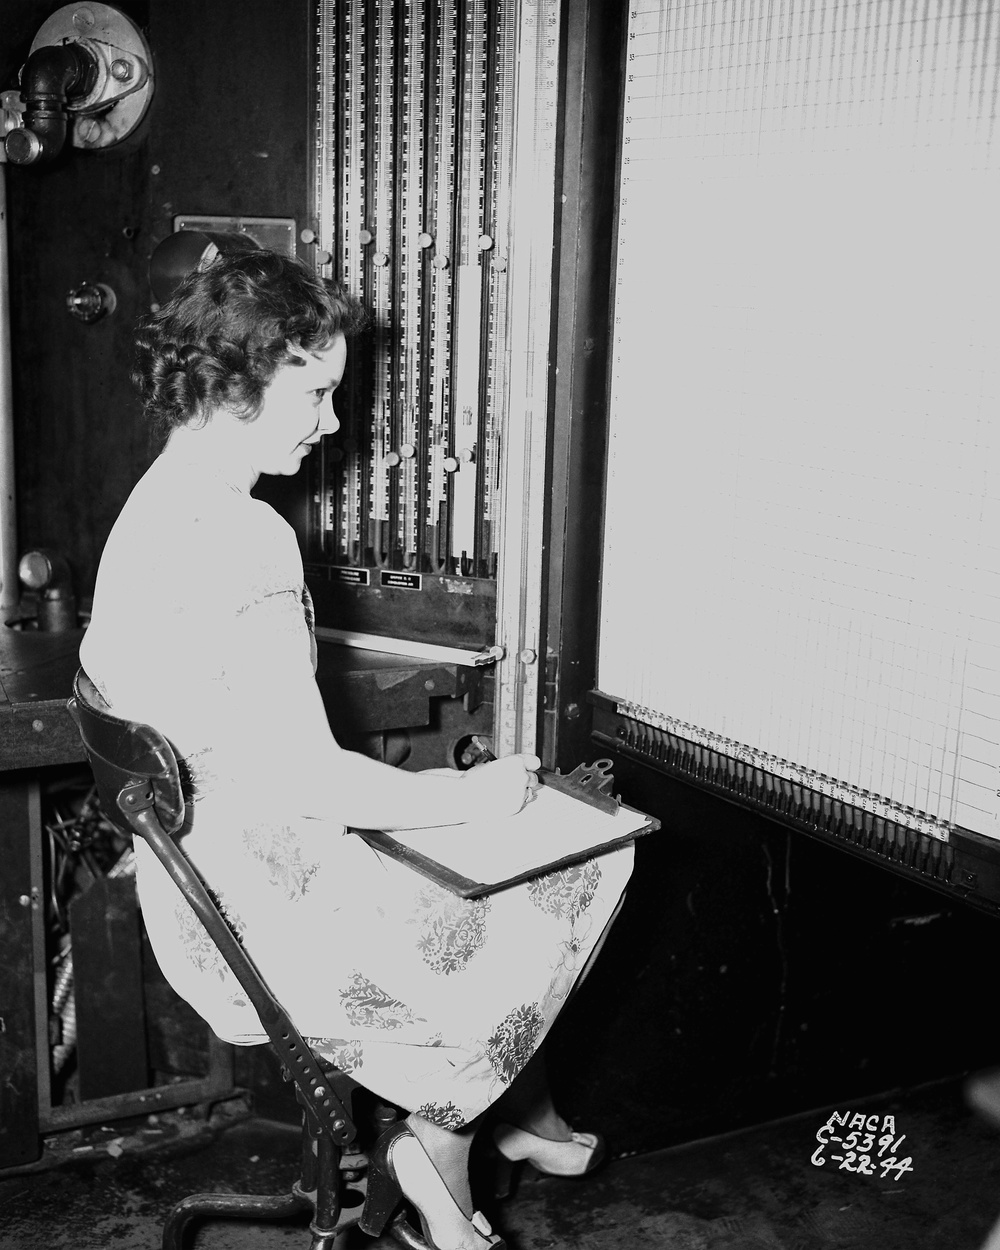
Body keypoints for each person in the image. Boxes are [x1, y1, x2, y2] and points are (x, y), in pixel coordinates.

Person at [80, 249, 634, 1250]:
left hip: (201, 886)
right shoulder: (245, 536)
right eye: (317, 390)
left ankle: (503, 1121)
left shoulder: (152, 502)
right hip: (272, 916)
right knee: (586, 857)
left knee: (514, 867)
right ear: (235, 380)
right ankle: (443, 1138)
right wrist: (475, 797)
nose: (334, 420)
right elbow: (307, 777)